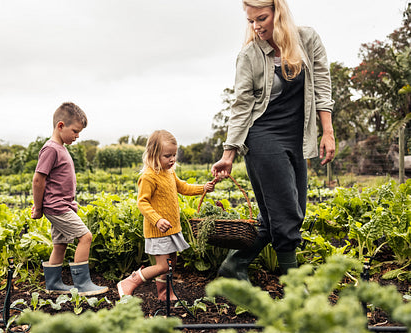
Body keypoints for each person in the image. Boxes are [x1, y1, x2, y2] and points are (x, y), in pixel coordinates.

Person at [211, 0, 335, 281]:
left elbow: (322, 83)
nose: (256, 26)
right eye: (251, 21)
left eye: (261, 18)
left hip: (297, 137)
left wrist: (327, 131)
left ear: (278, 14)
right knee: (287, 212)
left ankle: (234, 265)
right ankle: (292, 283)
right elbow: (241, 105)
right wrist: (228, 153)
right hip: (263, 136)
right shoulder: (250, 55)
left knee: (287, 212)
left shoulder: (308, 39)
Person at [117, 130, 215, 301]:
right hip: (158, 230)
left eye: (174, 155)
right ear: (153, 155)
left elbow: (183, 188)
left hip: (172, 228)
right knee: (162, 266)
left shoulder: (169, 173)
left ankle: (165, 294)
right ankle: (129, 282)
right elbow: (142, 202)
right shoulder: (148, 177)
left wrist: (203, 188)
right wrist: (157, 219)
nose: (172, 159)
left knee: (171, 265)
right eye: (167, 155)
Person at [31, 102, 108, 295]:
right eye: (75, 131)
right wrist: (38, 207)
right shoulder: (51, 149)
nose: (77, 136)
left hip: (63, 205)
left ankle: (54, 284)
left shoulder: (61, 148)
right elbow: (38, 180)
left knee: (60, 244)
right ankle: (83, 285)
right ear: (60, 125)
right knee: (85, 237)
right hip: (57, 207)